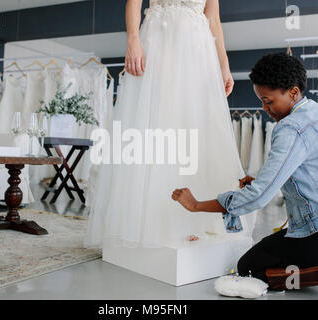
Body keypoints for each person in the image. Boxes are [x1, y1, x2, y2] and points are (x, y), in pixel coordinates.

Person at [172, 53, 318, 300]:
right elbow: (313, 176)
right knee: (272, 251)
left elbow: (258, 198)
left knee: (249, 268)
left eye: (268, 101)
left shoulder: (290, 128)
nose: (265, 109)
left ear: (293, 92)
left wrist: (196, 205)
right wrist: (262, 181)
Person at [84, 0, 256, 248]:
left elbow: (213, 19)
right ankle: (146, 222)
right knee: (157, 124)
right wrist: (133, 40)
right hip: (160, 39)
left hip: (198, 50)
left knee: (195, 125)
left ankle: (194, 222)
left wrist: (224, 64)